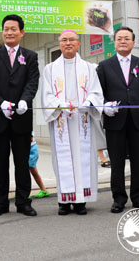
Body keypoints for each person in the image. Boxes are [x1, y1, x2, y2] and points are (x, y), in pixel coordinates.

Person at [0, 14, 40, 217]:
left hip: (22, 118)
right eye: (6, 29)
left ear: (21, 32)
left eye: (13, 29)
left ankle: (24, 202)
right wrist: (1, 103)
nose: (9, 32)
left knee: (22, 162)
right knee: (1, 162)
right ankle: (0, 203)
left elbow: (33, 81)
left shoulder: (30, 56)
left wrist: (25, 100)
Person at [41, 30, 104, 215]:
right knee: (63, 160)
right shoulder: (50, 69)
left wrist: (88, 103)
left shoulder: (89, 68)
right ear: (60, 44)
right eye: (64, 40)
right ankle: (64, 200)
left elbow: (96, 91)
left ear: (78, 43)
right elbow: (46, 95)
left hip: (82, 120)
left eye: (72, 40)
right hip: (61, 120)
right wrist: (60, 105)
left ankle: (80, 201)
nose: (68, 43)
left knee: (82, 159)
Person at [97, 26, 139, 212]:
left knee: (138, 162)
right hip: (115, 121)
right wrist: (105, 106)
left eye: (126, 38)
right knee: (117, 162)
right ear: (114, 42)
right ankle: (119, 199)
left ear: (133, 42)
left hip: (138, 121)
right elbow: (99, 93)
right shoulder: (104, 66)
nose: (123, 41)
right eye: (119, 38)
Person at [29, 132, 50, 199]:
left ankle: (25, 193)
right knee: (33, 172)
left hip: (31, 149)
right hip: (30, 149)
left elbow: (30, 138)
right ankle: (44, 190)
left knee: (28, 172)